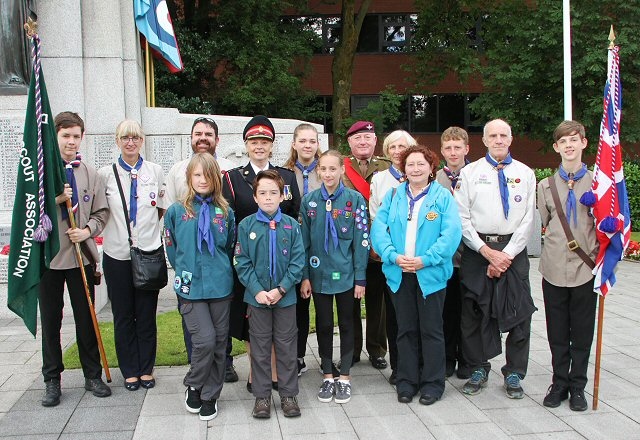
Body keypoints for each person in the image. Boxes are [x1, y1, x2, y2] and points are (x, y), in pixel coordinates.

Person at [371, 145, 462, 405]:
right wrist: (392, 256)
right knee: (405, 330)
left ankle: (433, 383)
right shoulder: (393, 196)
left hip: (430, 275)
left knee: (432, 330)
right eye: (410, 164)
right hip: (399, 274)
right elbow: (379, 229)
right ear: (403, 168)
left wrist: (425, 260)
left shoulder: (443, 196)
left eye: (420, 164)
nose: (415, 169)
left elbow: (451, 234)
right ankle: (407, 381)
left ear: (431, 167)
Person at [454, 119, 537, 399]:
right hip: (478, 250)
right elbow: (461, 217)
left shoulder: (525, 173)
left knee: (519, 312)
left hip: (513, 250)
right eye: (493, 135)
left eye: (503, 135)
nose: (499, 140)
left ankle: (514, 372)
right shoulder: (469, 173)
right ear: (485, 140)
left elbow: (528, 219)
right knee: (473, 312)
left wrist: (507, 254)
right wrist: (486, 252)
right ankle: (478, 366)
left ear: (510, 139)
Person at [222, 115, 301, 391]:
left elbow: (293, 216)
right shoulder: (232, 179)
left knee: (280, 323)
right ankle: (256, 373)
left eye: (264, 141)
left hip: (280, 263)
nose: (259, 146)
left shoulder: (287, 177)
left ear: (271, 145)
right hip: (248, 262)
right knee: (250, 321)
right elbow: (229, 221)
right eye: (254, 141)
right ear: (246, 144)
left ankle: (277, 372)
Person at [39, 112, 111, 407]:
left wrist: (87, 231)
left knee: (87, 318)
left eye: (76, 136)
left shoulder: (90, 174)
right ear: (55, 137)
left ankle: (92, 374)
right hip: (50, 259)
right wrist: (54, 199)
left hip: (80, 258)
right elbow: (28, 210)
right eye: (65, 135)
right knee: (51, 321)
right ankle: (52, 380)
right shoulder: (42, 174)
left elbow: (101, 212)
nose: (71, 141)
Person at [163, 116, 237, 382]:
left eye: (208, 175)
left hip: (219, 280)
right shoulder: (176, 211)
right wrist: (185, 264)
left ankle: (218, 374)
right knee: (198, 334)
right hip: (190, 280)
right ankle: (196, 373)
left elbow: (229, 244)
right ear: (188, 177)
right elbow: (172, 245)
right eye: (197, 175)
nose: (203, 180)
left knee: (219, 334)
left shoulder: (225, 212)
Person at [98, 120, 167, 391]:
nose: (130, 142)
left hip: (148, 253)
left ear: (142, 140)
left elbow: (159, 209)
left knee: (146, 314)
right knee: (123, 315)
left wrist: (144, 235)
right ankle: (129, 370)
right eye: (125, 138)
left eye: (135, 137)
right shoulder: (106, 174)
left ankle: (146, 369)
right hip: (117, 255)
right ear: (117, 141)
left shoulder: (155, 171)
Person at [300, 150, 369, 404]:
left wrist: (360, 278)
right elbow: (303, 242)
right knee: (325, 324)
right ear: (318, 171)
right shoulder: (309, 201)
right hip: (319, 276)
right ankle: (328, 374)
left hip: (347, 276)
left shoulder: (355, 200)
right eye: (323, 169)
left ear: (342, 170)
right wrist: (305, 276)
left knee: (348, 323)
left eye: (332, 169)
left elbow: (361, 242)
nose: (328, 174)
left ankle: (346, 377)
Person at [235, 170, 305, 419]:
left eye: (273, 193)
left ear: (282, 195)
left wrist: (282, 288)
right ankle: (262, 396)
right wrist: (258, 291)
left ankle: (288, 395)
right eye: (262, 193)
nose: (267, 198)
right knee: (260, 347)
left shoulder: (292, 226)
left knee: (286, 347)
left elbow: (298, 261)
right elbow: (241, 261)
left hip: (285, 298)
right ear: (254, 197)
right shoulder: (245, 226)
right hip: (257, 299)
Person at [538, 120, 598, 412]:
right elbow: (546, 224)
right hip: (553, 267)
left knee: (583, 331)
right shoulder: (545, 186)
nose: (569, 146)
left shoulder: (601, 183)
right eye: (563, 141)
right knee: (557, 330)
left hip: (586, 269)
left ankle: (578, 385)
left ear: (584, 143)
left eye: (574, 140)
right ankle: (559, 381)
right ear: (556, 147)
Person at [341, 121, 391, 370]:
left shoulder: (388, 167)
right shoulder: (340, 167)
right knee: (349, 300)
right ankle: (351, 350)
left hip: (379, 246)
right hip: (347, 246)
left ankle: (376, 349)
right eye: (358, 138)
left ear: (375, 141)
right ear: (349, 142)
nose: (363, 142)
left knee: (377, 300)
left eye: (368, 138)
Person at [369, 130, 417, 384]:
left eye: (403, 146)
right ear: (387, 152)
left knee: (417, 313)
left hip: (418, 258)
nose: (398, 151)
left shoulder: (422, 177)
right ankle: (398, 367)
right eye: (393, 147)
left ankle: (417, 363)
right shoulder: (379, 180)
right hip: (391, 258)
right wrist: (388, 251)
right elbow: (377, 219)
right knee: (395, 315)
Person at [283, 123, 322, 376]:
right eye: (303, 141)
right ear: (294, 144)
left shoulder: (326, 171)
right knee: (299, 302)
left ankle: (328, 354)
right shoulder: (284, 173)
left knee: (323, 300)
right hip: (293, 244)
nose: (308, 145)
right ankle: (296, 356)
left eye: (312, 141)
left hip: (321, 243)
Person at [435, 126, 471, 380]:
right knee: (446, 310)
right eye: (448, 147)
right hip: (445, 257)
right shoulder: (435, 177)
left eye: (457, 147)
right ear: (442, 151)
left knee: (469, 311)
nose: (453, 152)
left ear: (467, 149)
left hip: (471, 254)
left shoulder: (478, 174)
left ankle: (468, 359)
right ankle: (447, 357)